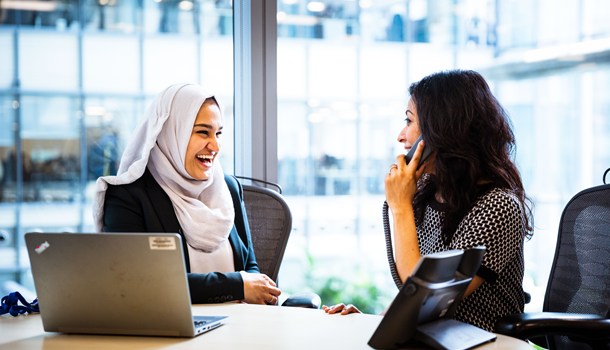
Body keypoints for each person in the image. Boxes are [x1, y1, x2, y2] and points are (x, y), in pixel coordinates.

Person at [323, 69, 533, 332]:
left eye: (409, 122)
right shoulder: (427, 190)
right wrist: (375, 321)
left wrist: (400, 207)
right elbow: (414, 294)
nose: (401, 135)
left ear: (442, 131)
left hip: (479, 343)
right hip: (432, 339)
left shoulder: (497, 207)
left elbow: (426, 299)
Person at [92, 83, 281, 306]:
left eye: (218, 133)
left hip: (238, 327)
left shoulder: (228, 187)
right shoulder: (127, 196)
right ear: (171, 132)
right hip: (171, 333)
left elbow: (250, 268)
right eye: (203, 132)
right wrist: (236, 286)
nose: (215, 146)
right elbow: (141, 283)